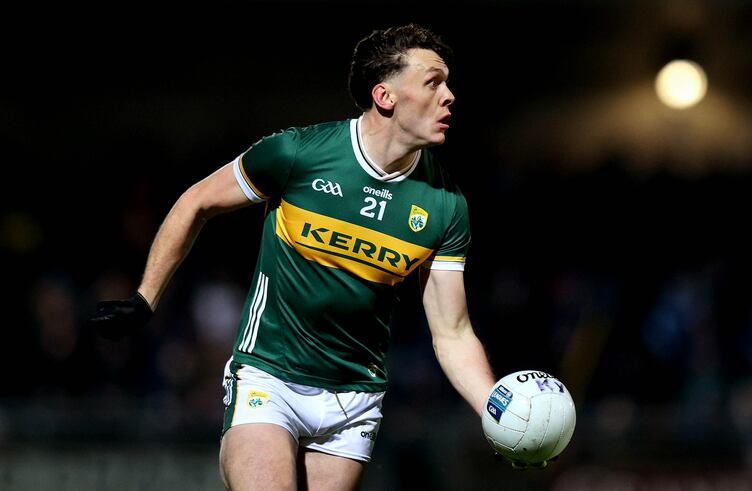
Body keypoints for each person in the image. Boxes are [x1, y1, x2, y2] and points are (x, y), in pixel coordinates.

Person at [90, 24, 497, 490]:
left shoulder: (446, 204)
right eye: (433, 81)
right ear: (385, 96)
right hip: (270, 376)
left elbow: (453, 333)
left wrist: (497, 411)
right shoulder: (298, 154)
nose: (449, 96)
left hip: (354, 400)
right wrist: (145, 299)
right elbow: (197, 201)